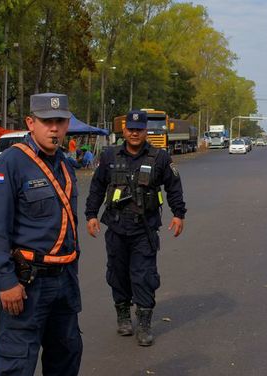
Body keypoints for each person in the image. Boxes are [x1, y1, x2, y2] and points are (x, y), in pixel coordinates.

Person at [0, 93, 82, 375]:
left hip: (64, 281)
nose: (54, 128)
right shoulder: (10, 163)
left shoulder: (64, 163)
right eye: (46, 121)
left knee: (66, 355)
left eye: (60, 121)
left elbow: (67, 224)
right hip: (28, 285)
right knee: (18, 362)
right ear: (30, 122)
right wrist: (5, 281)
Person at [85, 110, 186, 346]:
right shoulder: (110, 156)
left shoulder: (160, 158)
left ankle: (143, 324)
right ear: (124, 130)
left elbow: (174, 186)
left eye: (139, 129)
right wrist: (91, 215)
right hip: (117, 228)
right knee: (117, 275)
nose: (134, 133)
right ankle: (123, 316)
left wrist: (179, 213)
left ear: (145, 131)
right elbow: (97, 187)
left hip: (145, 229)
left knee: (143, 276)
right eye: (130, 129)